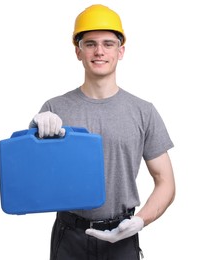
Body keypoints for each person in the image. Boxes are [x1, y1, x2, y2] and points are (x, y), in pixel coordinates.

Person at [29, 4, 175, 260]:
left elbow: (166, 182)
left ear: (121, 51)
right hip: (69, 237)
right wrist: (34, 134)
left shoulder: (144, 111)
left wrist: (140, 221)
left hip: (124, 233)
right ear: (78, 51)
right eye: (90, 44)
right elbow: (34, 179)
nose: (99, 51)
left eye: (108, 44)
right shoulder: (54, 109)